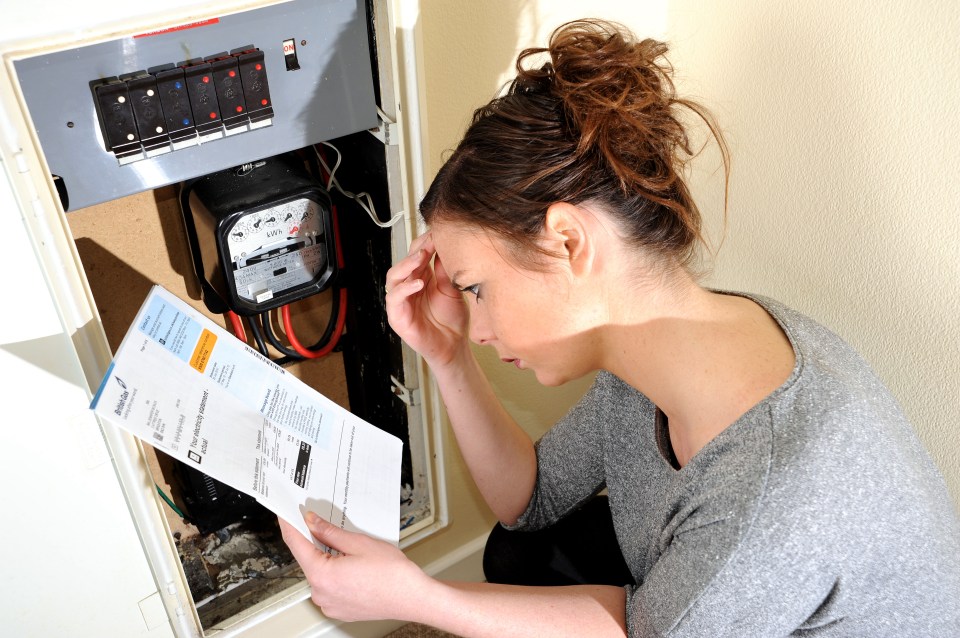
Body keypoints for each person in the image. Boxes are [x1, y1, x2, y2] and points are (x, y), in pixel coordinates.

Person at [279, 18, 960, 637]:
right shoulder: (666, 350)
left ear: (569, 242)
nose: (478, 323)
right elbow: (530, 500)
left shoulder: (774, 493)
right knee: (517, 553)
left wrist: (419, 599)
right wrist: (449, 355)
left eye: (477, 290)